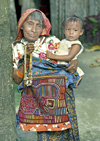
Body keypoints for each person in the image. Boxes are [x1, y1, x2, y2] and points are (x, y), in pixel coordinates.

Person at [12, 9, 80, 141]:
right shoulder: (16, 48)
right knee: (45, 136)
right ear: (22, 25)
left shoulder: (52, 41)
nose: (33, 29)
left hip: (61, 97)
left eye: (38, 25)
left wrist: (74, 60)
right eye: (30, 24)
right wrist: (26, 58)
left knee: (68, 131)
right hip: (38, 99)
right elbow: (17, 79)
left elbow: (69, 53)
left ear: (43, 28)